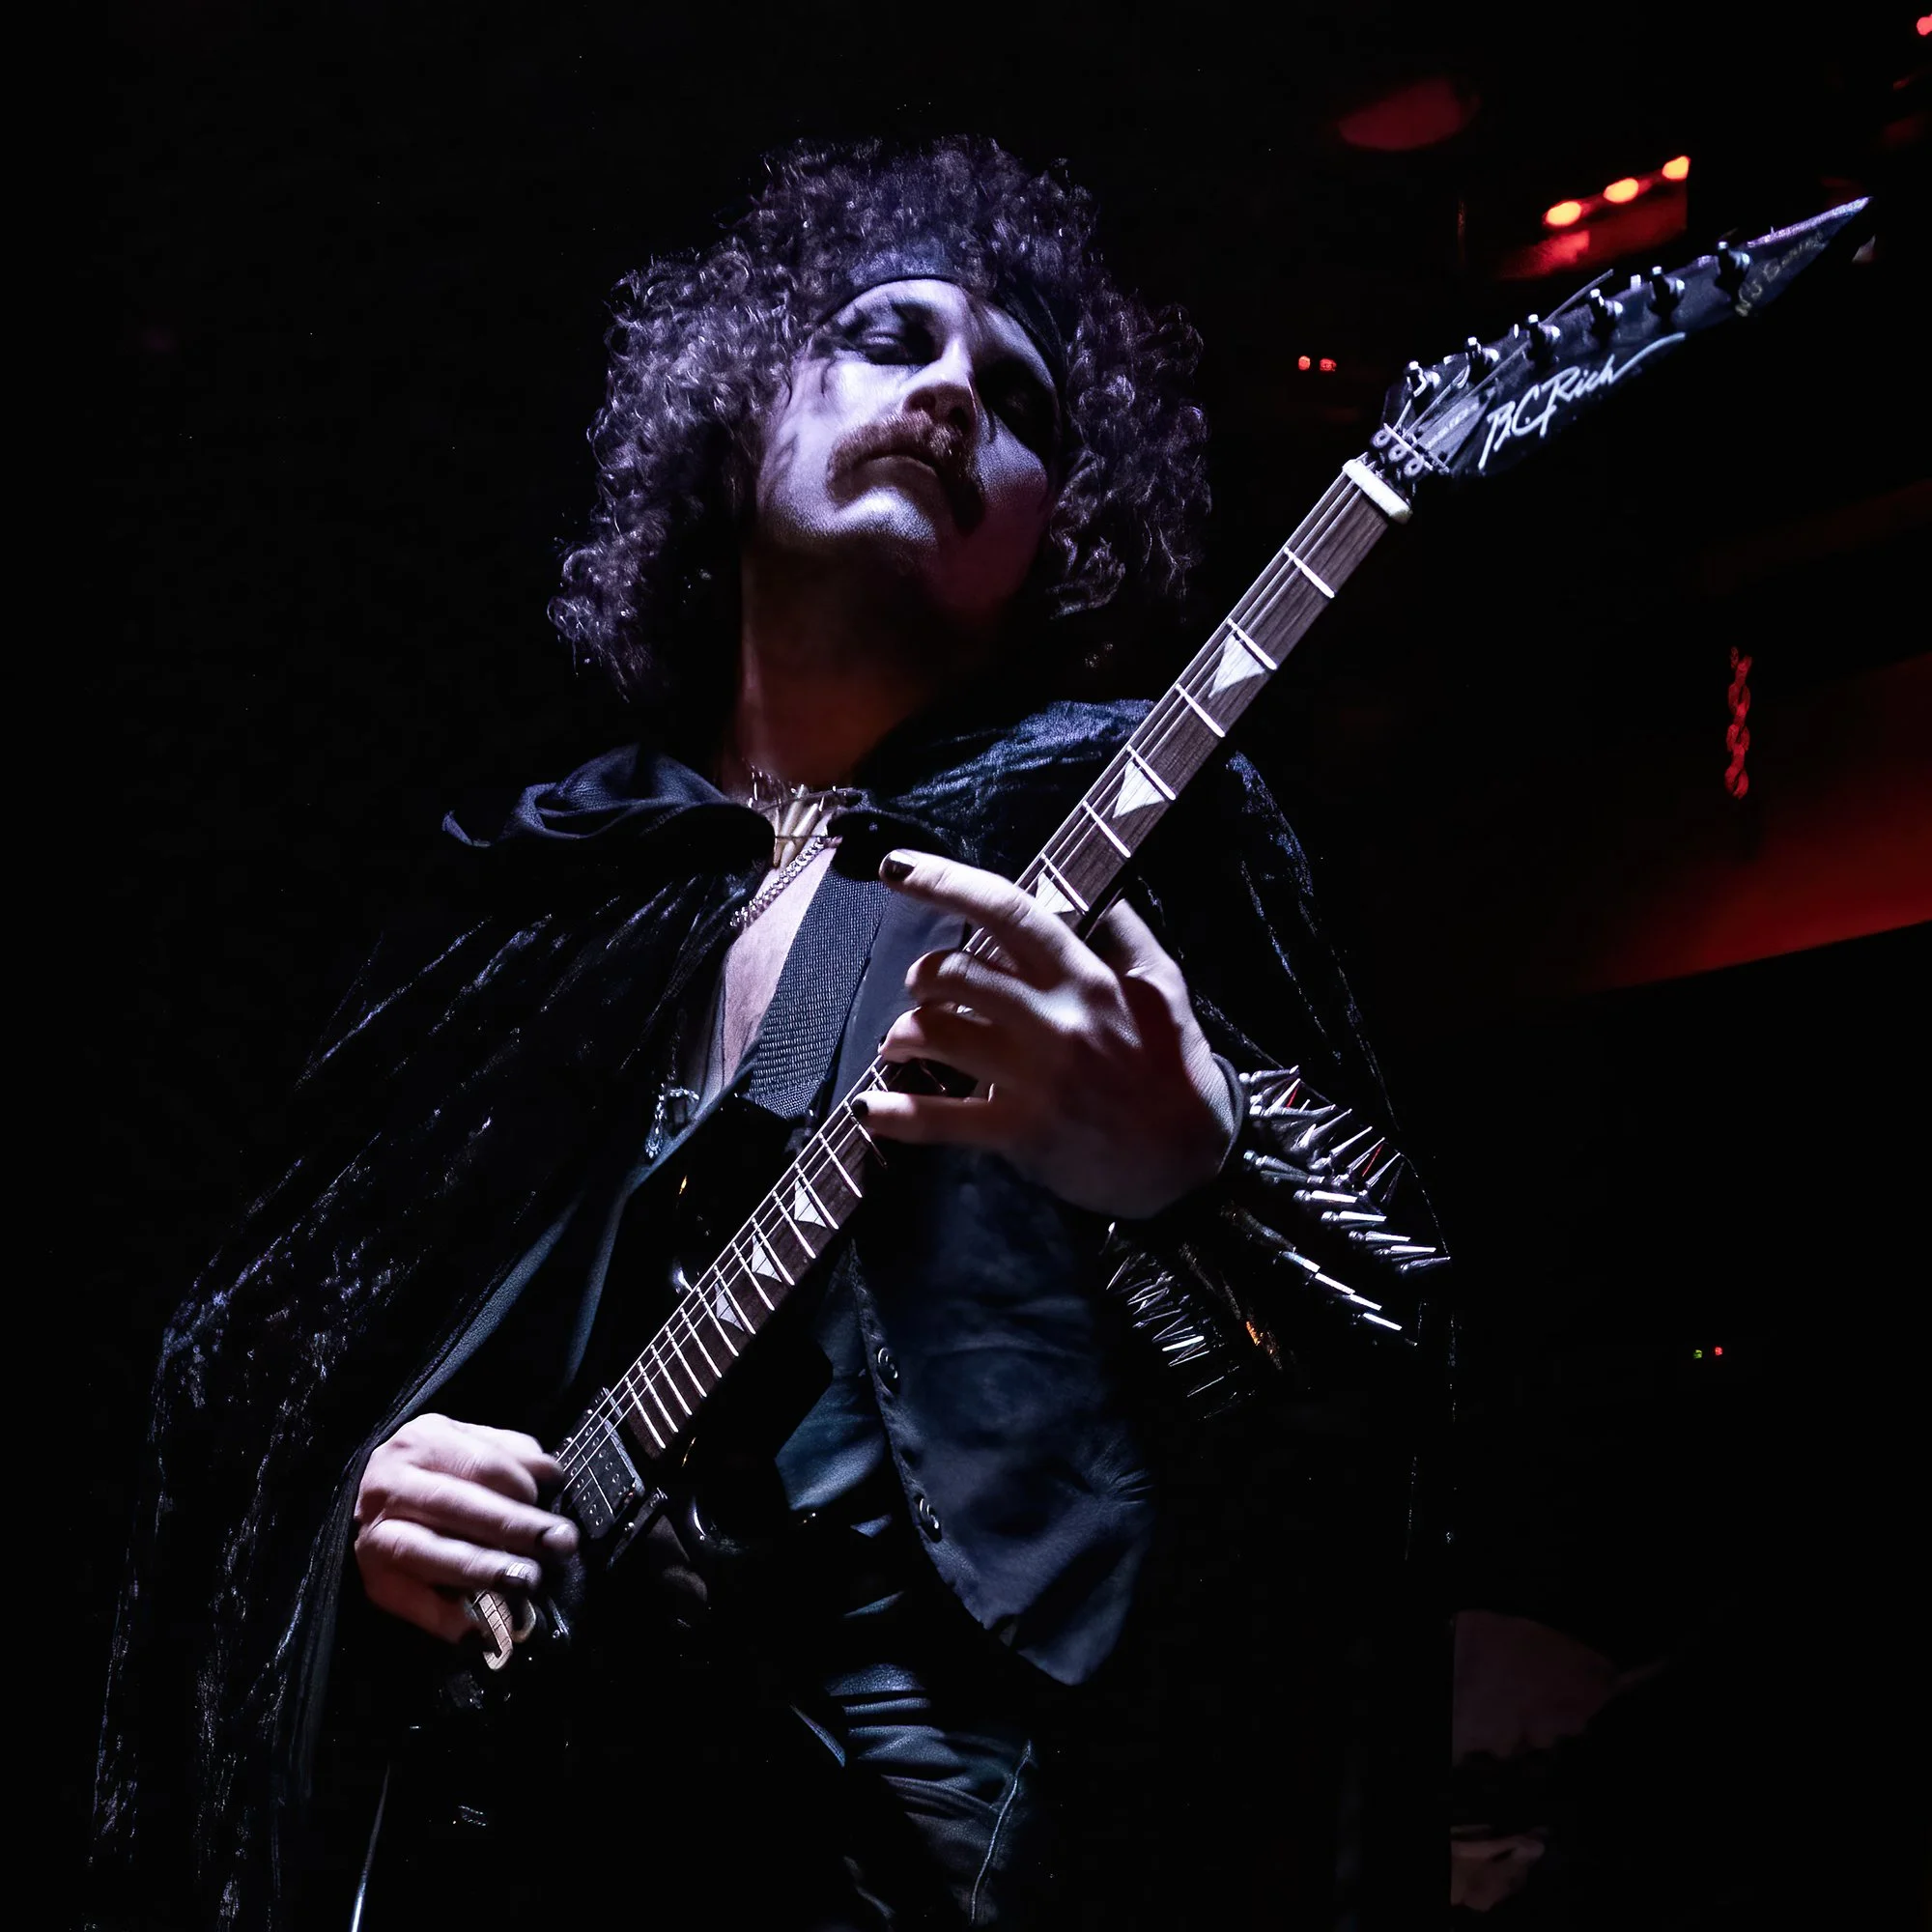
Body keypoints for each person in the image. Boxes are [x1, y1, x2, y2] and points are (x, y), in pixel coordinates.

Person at [92, 135, 1445, 1931]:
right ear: (737, 422)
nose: (950, 391)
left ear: (1055, 536)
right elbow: (250, 1378)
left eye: (1020, 401)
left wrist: (1197, 1176)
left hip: (965, 1836)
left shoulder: (1123, 829)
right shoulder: (543, 888)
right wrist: (366, 1496)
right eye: (886, 337)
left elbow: (1386, 1375)